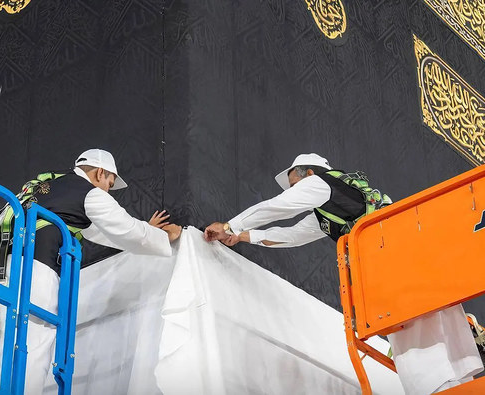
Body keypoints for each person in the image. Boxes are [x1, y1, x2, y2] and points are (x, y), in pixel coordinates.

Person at [204, 153, 483, 394]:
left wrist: (230, 225)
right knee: (441, 328)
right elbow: (292, 236)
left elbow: (277, 206)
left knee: (414, 340)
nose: (292, 191)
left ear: (309, 173)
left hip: (395, 266)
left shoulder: (319, 183)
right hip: (414, 258)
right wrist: (243, 236)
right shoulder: (331, 209)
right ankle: (459, 384)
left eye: (293, 184)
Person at [0, 149, 182, 392]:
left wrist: (145, 229)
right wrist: (163, 236)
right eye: (109, 183)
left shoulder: (43, 188)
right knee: (31, 341)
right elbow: (125, 230)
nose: (107, 190)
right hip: (30, 274)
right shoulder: (88, 193)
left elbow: (99, 231)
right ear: (100, 172)